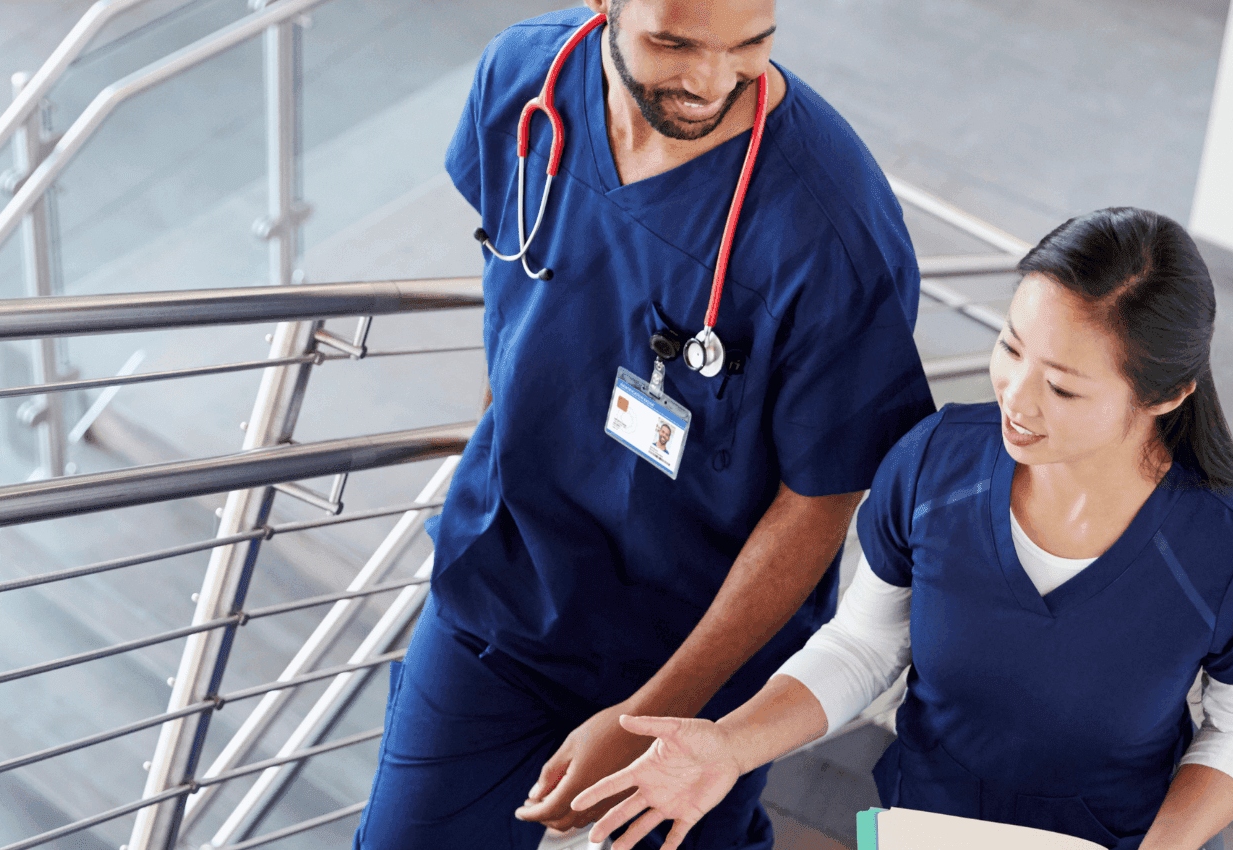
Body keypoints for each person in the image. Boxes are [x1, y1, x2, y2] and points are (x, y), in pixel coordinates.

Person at [353, 0, 935, 847]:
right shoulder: (525, 79)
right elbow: (514, 284)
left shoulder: (831, 228)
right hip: (503, 585)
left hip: (699, 650)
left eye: (751, 45)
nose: (712, 81)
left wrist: (653, 712)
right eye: (673, 42)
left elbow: (821, 501)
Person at [570, 208, 1233, 850]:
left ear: (1167, 395)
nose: (1016, 398)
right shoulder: (934, 464)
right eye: (1011, 347)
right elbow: (864, 646)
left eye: (1062, 387)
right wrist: (731, 746)